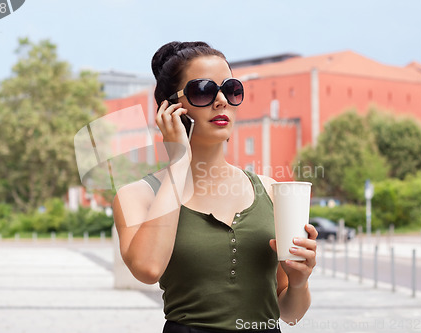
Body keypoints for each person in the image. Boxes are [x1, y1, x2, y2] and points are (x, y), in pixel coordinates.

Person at [113, 41, 318, 333]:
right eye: (203, 90)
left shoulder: (271, 191)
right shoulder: (137, 195)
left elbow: (290, 314)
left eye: (231, 89)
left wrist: (299, 282)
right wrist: (179, 161)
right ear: (169, 109)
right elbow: (147, 269)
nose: (221, 100)